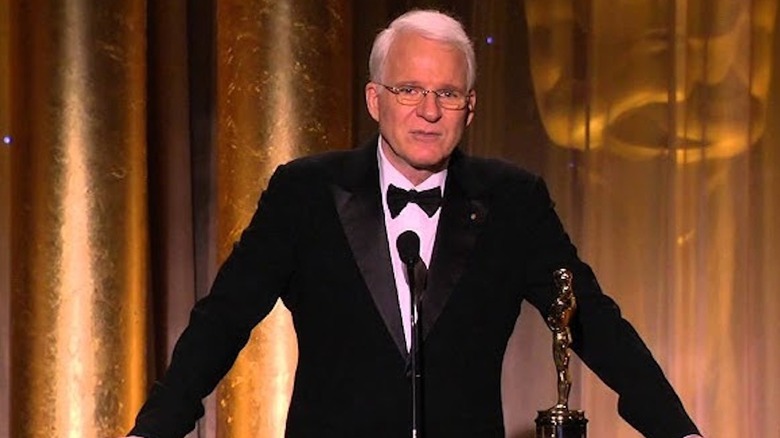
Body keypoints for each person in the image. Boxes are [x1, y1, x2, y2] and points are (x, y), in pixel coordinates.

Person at [128, 9, 702, 438]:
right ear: (375, 99)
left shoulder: (513, 201)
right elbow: (224, 317)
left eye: (447, 94)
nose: (429, 111)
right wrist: (153, 430)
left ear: (470, 108)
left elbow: (590, 318)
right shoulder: (305, 192)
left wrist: (680, 432)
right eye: (410, 90)